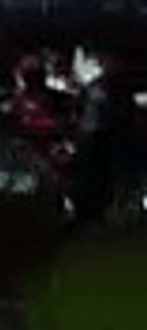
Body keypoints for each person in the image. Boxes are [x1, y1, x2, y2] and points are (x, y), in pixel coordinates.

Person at [68, 45, 138, 227]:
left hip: (105, 134)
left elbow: (124, 111)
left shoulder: (116, 88)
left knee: (103, 174)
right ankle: (90, 210)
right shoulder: (97, 86)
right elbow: (81, 107)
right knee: (92, 173)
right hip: (93, 134)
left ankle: (100, 209)